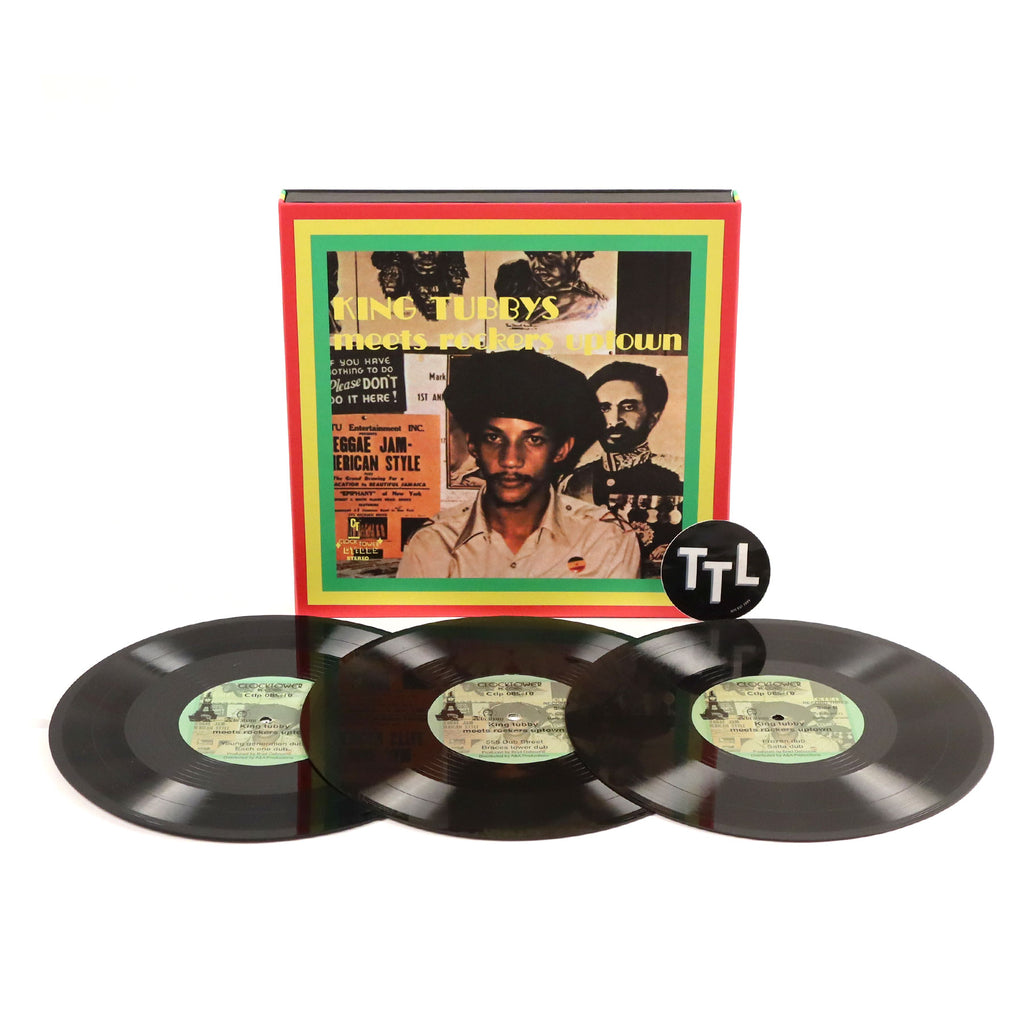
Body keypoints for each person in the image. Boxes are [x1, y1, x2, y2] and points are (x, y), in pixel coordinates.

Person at [397, 350, 640, 579]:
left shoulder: (605, 541)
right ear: (473, 445)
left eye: (533, 440)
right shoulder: (433, 545)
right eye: (494, 438)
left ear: (561, 450)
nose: (510, 460)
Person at [561, 360, 683, 507]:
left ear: (653, 417)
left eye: (628, 407)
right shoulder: (574, 482)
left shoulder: (675, 480)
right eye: (604, 408)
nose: (614, 421)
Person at [494, 251, 605, 323]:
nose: (536, 265)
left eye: (548, 256)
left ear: (577, 253)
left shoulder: (596, 300)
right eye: (531, 256)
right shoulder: (512, 281)